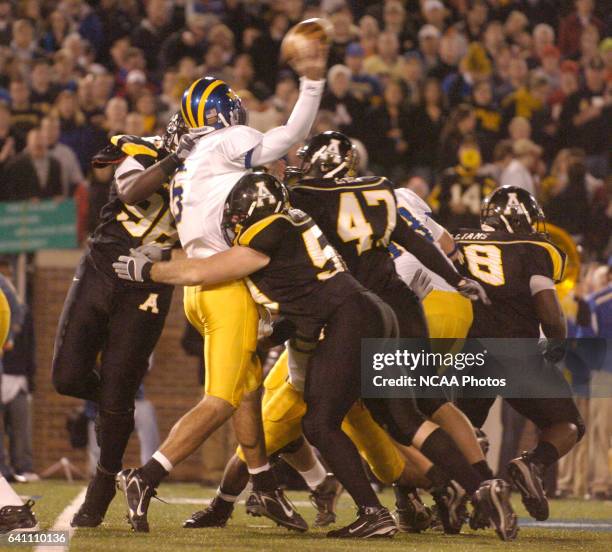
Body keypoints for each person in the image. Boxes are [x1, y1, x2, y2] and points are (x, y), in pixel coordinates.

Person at [114, 171, 517, 541]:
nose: (233, 224)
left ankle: (373, 512)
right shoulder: (295, 224)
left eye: (237, 215)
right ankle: (482, 487)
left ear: (252, 210)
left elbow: (206, 271)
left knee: (320, 423)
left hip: (350, 319)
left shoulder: (270, 231)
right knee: (405, 419)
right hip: (375, 312)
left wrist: (148, 271)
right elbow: (294, 308)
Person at [113, 46, 329, 534]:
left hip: (200, 287)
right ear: (222, 113)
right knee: (221, 401)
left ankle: (266, 487)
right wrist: (312, 83)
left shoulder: (190, 161)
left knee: (248, 390)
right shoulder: (228, 141)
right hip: (224, 281)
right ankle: (147, 476)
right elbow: (292, 136)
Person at [51, 118, 193, 528]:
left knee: (118, 391)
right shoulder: (144, 150)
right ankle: (116, 407)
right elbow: (130, 189)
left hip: (148, 283)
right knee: (67, 377)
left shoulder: (209, 175)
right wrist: (173, 161)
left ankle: (102, 484)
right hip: (102, 267)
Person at [454, 186, 585, 522]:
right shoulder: (535, 246)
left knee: (460, 432)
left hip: (467, 352)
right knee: (568, 424)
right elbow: (549, 311)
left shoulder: (457, 241)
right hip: (516, 350)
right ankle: (531, 464)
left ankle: (464, 495)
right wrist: (556, 345)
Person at [2, 128, 63, 201]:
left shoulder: (55, 164)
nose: (39, 143)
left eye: (41, 141)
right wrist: (26, 200)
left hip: (50, 210)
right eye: (36, 144)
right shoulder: (16, 165)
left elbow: (58, 191)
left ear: (46, 143)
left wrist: (59, 197)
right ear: (28, 144)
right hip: (23, 211)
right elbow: (9, 192)